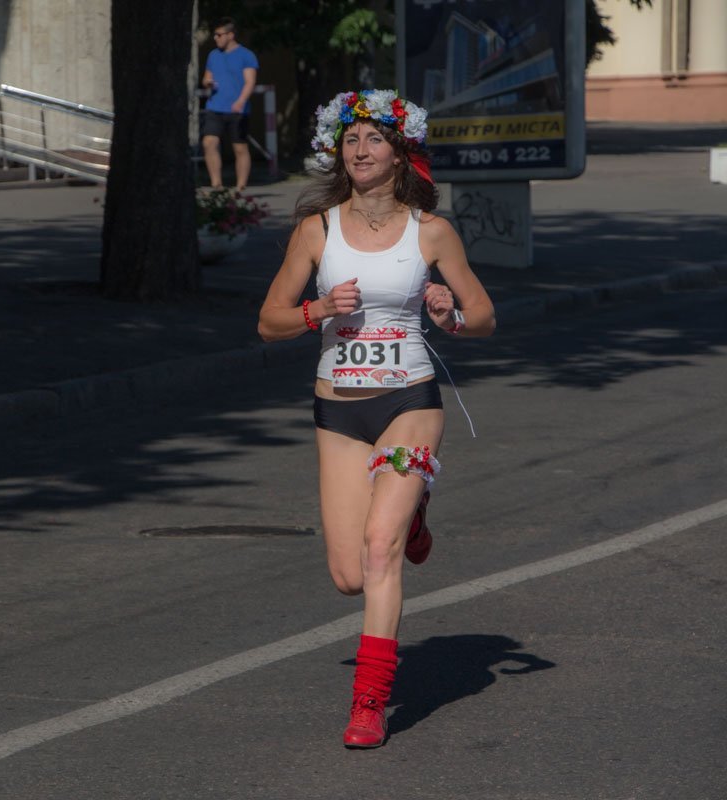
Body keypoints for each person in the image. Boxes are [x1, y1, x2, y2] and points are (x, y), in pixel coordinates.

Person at [257, 90, 496, 749]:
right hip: (338, 410)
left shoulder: (431, 232)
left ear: (398, 153)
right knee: (349, 576)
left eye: (374, 140)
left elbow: (483, 316)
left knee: (380, 547)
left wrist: (449, 315)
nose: (360, 150)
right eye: (351, 140)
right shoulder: (317, 230)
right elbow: (269, 321)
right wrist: (318, 310)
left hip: (409, 402)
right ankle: (414, 514)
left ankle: (369, 703)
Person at [200, 18, 258, 191]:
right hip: (215, 107)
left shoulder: (246, 55)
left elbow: (250, 82)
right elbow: (206, 78)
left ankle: (241, 186)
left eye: (219, 35)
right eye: (214, 35)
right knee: (209, 143)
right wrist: (207, 83)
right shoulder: (213, 55)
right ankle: (216, 185)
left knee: (239, 148)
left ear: (230, 35)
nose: (215, 38)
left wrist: (241, 101)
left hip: (238, 109)